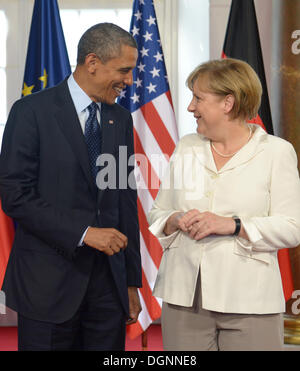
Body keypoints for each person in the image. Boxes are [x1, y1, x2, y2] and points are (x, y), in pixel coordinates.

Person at [0, 23, 142, 351]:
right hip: (47, 284)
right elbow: (15, 195)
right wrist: (84, 232)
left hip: (108, 287)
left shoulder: (120, 119)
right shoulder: (31, 112)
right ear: (92, 62)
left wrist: (131, 282)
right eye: (124, 70)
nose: (129, 81)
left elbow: (125, 202)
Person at [147, 58, 300, 351]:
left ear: (228, 103)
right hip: (183, 299)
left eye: (198, 98)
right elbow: (158, 212)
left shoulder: (276, 153)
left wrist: (233, 225)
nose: (190, 107)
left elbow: (292, 228)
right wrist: (176, 218)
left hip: (250, 301)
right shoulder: (187, 147)